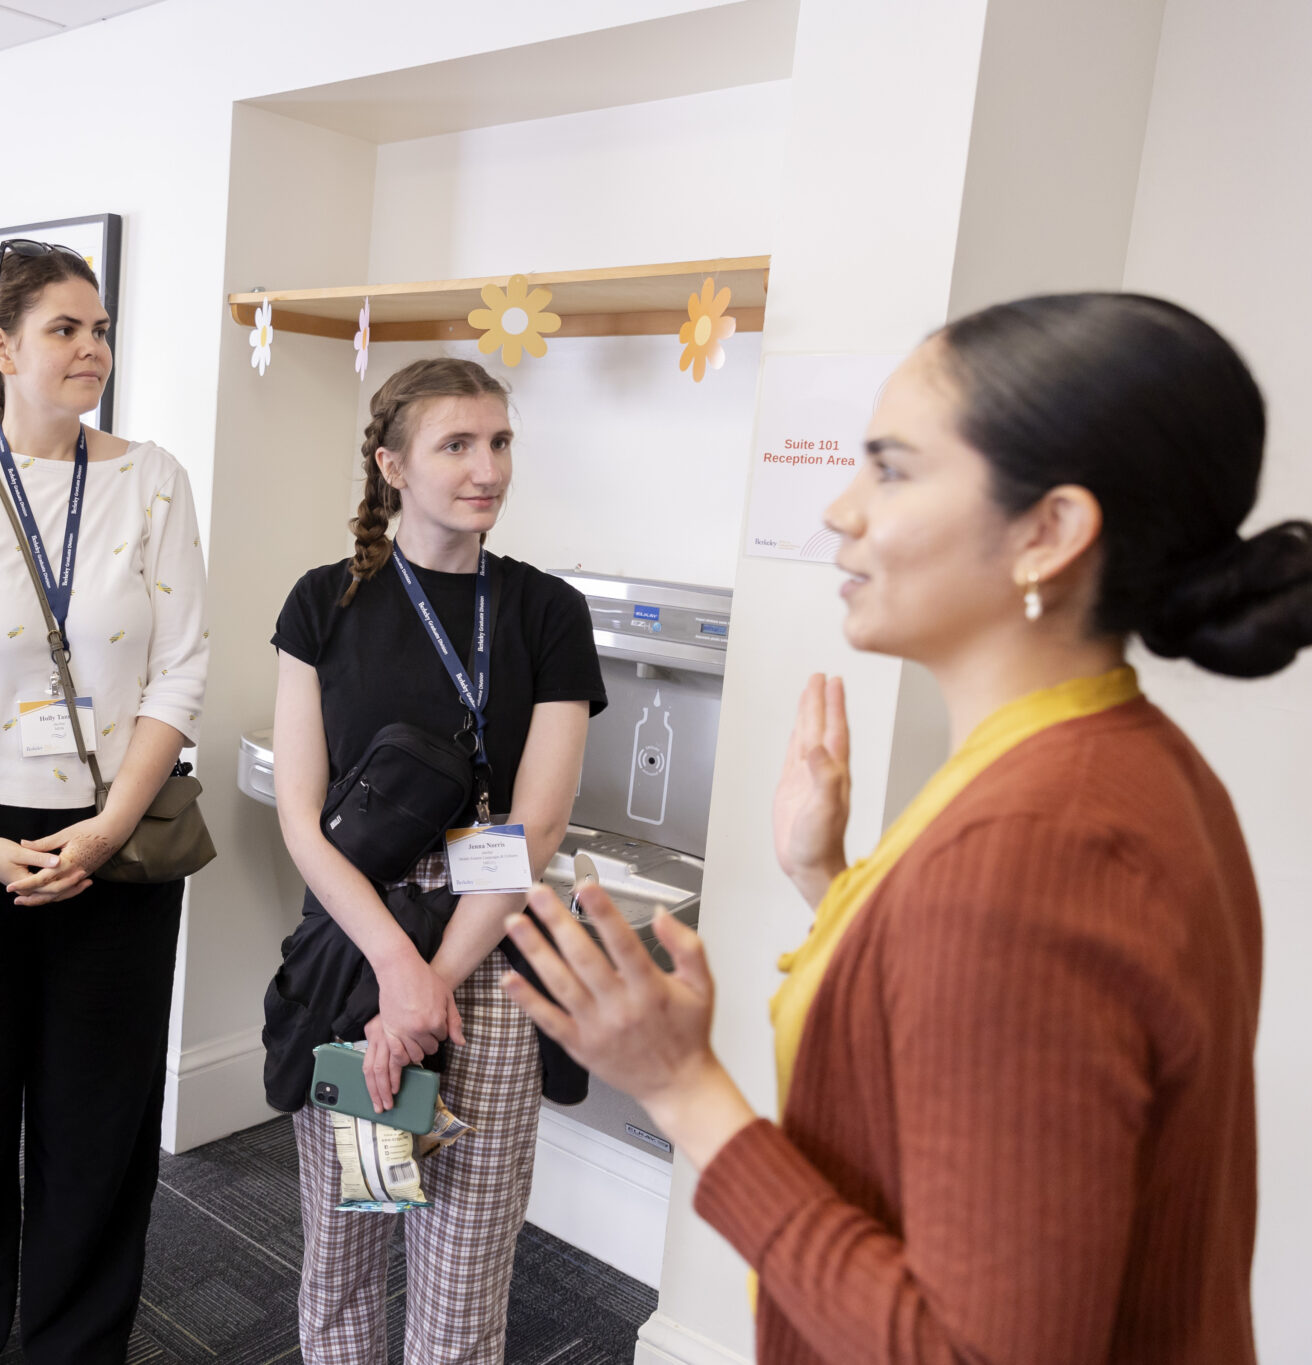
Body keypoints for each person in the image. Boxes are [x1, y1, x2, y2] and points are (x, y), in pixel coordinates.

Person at [502, 292, 1307, 1364]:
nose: (838, 512)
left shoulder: (1037, 845)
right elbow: (981, 1028)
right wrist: (829, 880)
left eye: (888, 468)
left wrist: (678, 1086)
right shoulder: (1110, 758)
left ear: (1047, 532)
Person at [0, 241, 208, 1364]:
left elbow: (180, 671)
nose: (91, 349)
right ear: (1, 347)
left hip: (113, 841)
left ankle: (73, 1347)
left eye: (100, 329)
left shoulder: (151, 480)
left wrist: (107, 832)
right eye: (64, 329)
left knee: (97, 1131)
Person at [264, 357, 606, 1363]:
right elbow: (300, 816)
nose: (486, 467)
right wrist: (394, 972)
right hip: (360, 956)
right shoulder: (322, 603)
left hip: (484, 958)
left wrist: (435, 979)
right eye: (456, 444)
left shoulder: (545, 613)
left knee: (461, 1267)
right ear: (391, 465)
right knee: (350, 1247)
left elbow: (532, 830)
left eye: (498, 442)